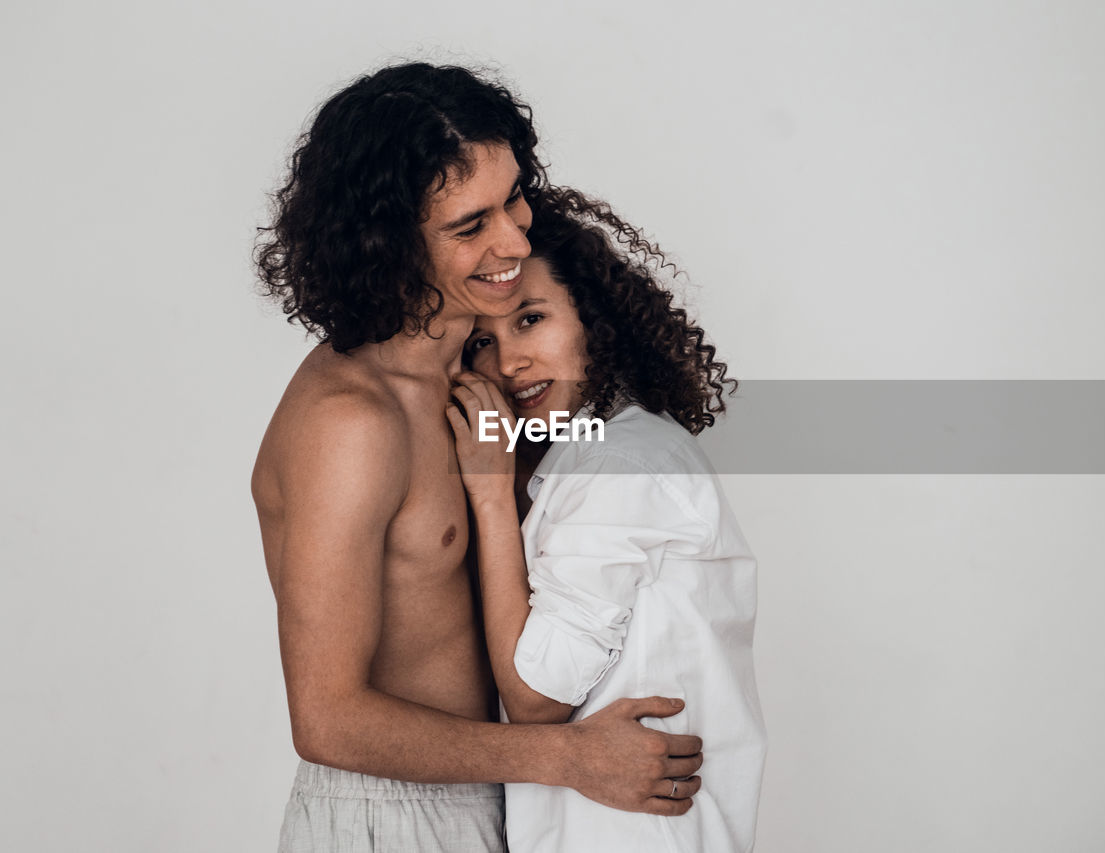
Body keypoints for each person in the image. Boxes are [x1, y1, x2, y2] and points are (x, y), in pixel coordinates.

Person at [252, 62, 704, 852]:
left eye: (513, 198)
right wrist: (567, 755)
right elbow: (326, 718)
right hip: (383, 820)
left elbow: (594, 469)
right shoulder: (352, 421)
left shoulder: (483, 374)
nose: (515, 239)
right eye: (471, 226)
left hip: (499, 800)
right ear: (387, 245)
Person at [447, 196, 768, 852]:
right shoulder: (604, 451)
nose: (509, 365)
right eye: (483, 341)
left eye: (530, 319)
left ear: (593, 319)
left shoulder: (620, 464)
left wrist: (486, 487)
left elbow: (538, 698)